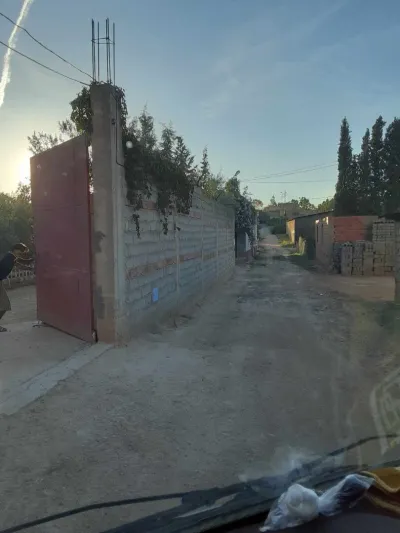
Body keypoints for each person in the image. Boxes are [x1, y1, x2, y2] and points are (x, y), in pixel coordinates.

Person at [0, 243, 34, 332]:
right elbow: (19, 264)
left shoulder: (11, 257)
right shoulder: (10, 257)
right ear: (15, 249)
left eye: (23, 252)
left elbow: (21, 264)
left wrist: (31, 266)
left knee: (4, 305)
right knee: (4, 305)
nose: (22, 253)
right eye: (21, 251)